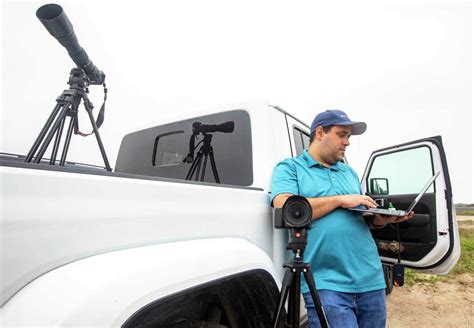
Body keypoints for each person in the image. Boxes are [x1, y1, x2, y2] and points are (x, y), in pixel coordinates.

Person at [270, 109, 414, 328]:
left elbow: (359, 219)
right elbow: (286, 207)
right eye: (342, 134)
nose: (347, 142)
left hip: (370, 278)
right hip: (327, 282)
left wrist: (379, 220)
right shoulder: (290, 168)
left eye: (349, 136)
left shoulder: (349, 173)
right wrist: (339, 199)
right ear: (320, 132)